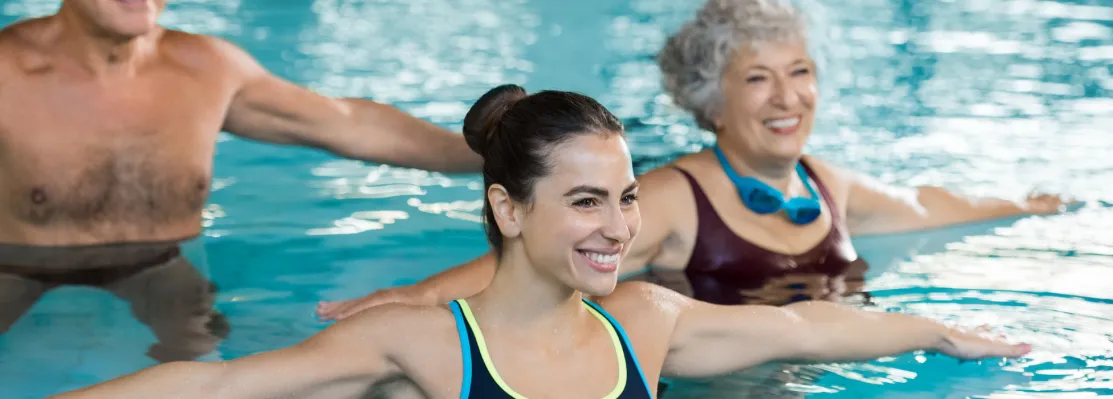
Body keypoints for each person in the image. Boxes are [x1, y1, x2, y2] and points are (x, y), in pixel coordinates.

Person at [51, 84, 1031, 399]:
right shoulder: (428, 343)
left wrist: (939, 332)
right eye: (584, 203)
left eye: (622, 198)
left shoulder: (644, 325)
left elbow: (814, 332)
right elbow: (218, 386)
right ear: (511, 211)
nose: (618, 228)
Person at [316, 0, 1068, 320]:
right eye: (757, 78)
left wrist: (1022, 208)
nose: (787, 98)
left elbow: (923, 209)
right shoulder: (673, 198)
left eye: (799, 72)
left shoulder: (824, 183)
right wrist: (407, 299)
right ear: (711, 101)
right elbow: (531, 265)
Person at [0, 0, 482, 362]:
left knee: (215, 372)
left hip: (160, 265)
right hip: (16, 266)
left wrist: (494, 151)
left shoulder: (205, 69)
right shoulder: (8, 72)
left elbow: (348, 122)